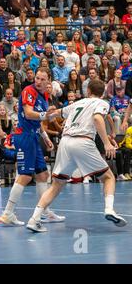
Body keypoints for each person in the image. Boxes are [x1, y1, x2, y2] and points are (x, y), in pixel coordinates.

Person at [27, 79, 127, 232]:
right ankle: (109, 209)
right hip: (82, 141)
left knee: (56, 185)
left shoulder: (77, 103)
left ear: (88, 91)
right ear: (103, 93)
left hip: (65, 142)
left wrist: (47, 112)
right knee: (108, 177)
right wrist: (107, 143)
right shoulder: (102, 103)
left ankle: (34, 219)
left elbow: (54, 114)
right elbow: (97, 118)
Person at [0, 68, 65, 226]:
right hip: (25, 137)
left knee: (42, 175)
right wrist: (46, 115)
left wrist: (46, 136)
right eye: (37, 78)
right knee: (26, 176)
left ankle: (44, 211)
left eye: (43, 79)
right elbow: (29, 114)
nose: (38, 81)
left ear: (49, 81)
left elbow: (38, 120)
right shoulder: (29, 91)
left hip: (34, 137)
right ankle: (8, 213)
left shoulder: (45, 95)